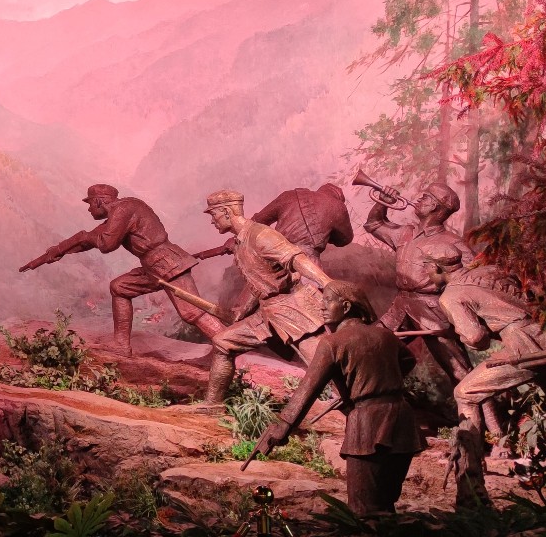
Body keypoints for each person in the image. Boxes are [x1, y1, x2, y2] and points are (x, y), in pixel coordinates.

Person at [431, 253, 546, 507]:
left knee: (465, 393)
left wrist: (460, 331)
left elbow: (477, 339)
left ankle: (471, 492)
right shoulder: (489, 271)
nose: (426, 275)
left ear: (437, 267)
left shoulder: (450, 296)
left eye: (426, 269)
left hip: (523, 346)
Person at [254, 281, 422, 516]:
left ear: (346, 306)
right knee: (385, 504)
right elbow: (408, 360)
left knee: (365, 509)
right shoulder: (385, 335)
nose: (322, 307)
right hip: (401, 421)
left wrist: (282, 428)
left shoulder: (332, 343)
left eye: (327, 301)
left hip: (368, 424)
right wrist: (377, 382)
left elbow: (308, 389)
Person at [19, 183, 224, 357]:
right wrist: (55, 252)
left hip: (167, 262)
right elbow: (87, 240)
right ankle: (121, 345)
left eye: (89, 204)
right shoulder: (120, 213)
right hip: (154, 265)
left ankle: (228, 346)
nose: (89, 210)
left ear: (98, 201)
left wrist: (84, 237)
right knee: (120, 287)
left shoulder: (123, 209)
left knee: (192, 312)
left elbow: (106, 243)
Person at [202, 189, 336, 403]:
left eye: (213, 214)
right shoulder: (241, 242)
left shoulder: (261, 235)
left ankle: (363, 406)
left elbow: (296, 259)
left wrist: (327, 283)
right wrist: (243, 311)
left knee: (325, 366)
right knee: (222, 343)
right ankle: (212, 406)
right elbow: (262, 282)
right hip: (268, 312)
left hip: (293, 310)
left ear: (227, 211)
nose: (212, 221)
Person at [361, 179, 476, 400]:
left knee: (459, 370)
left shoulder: (453, 242)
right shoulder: (405, 233)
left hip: (432, 310)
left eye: (425, 197)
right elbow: (374, 224)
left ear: (436, 207)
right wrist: (382, 203)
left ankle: (488, 415)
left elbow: (471, 277)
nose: (419, 199)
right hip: (400, 306)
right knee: (370, 347)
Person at [249, 182, 354, 256]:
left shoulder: (289, 195)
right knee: (311, 280)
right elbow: (345, 239)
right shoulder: (338, 206)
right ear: (338, 197)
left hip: (275, 253)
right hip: (308, 260)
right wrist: (329, 233)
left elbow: (258, 220)